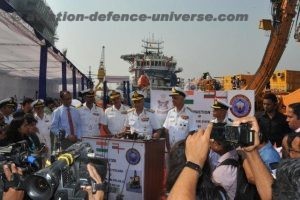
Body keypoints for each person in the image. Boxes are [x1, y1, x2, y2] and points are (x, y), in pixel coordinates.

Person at [168, 116, 274, 200]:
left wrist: (193, 162)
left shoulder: (220, 177)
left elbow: (271, 195)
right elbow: (271, 196)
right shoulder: (219, 193)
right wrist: (251, 150)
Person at [163, 87, 197, 151]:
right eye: (172, 98)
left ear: (182, 99)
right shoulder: (170, 112)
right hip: (170, 148)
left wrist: (184, 145)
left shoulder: (189, 113)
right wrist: (168, 147)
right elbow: (166, 131)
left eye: (175, 98)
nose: (173, 100)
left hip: (183, 149)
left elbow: (192, 132)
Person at [209, 99, 232, 171]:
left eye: (216, 109)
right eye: (214, 109)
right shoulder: (211, 123)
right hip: (213, 156)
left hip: (226, 157)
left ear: (223, 111)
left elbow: (232, 144)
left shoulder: (231, 124)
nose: (213, 110)